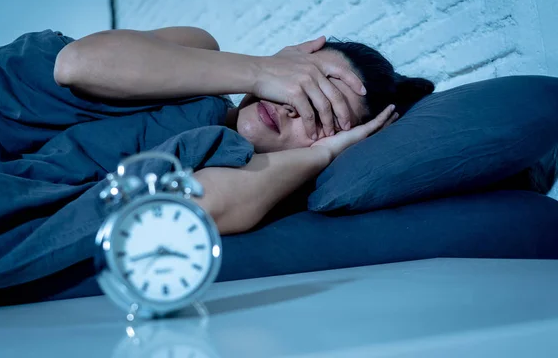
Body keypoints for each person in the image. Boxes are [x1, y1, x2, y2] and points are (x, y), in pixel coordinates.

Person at [53, 26, 434, 234]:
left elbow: (177, 216)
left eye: (321, 112)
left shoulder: (244, 182)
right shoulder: (197, 47)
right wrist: (261, 69)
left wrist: (324, 154)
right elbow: (75, 64)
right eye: (303, 80)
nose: (291, 104)